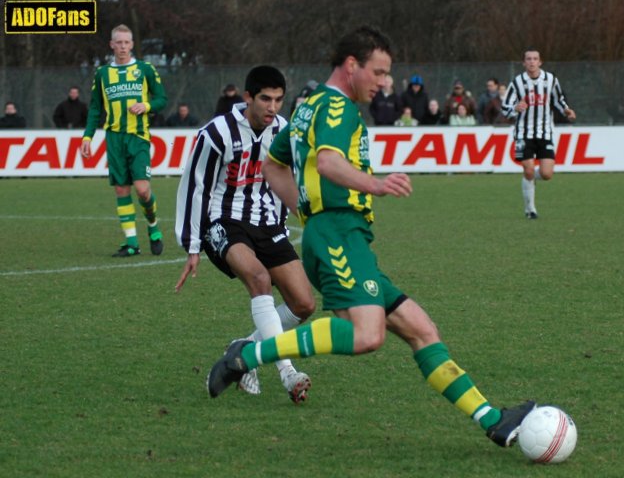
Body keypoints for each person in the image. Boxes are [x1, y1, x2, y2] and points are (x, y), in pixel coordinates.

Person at [207, 26, 535, 449]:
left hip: (339, 234)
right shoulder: (338, 108)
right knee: (367, 335)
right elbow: (326, 163)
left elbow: (273, 166)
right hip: (339, 233)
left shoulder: (309, 107)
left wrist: (307, 210)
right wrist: (373, 185)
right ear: (351, 66)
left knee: (421, 329)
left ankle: (494, 421)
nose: (384, 83)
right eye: (378, 72)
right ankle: (246, 356)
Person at [174, 65, 316, 403]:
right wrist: (193, 245)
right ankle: (287, 373)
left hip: (267, 223)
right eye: (265, 99)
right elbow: (196, 188)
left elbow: (289, 180)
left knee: (303, 303)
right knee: (259, 278)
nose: (272, 107)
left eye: (279, 100)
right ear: (248, 97)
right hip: (224, 222)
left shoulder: (284, 131)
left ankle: (245, 351)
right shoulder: (216, 133)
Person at [81, 24, 167, 257]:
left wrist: (147, 105)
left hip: (138, 136)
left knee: (142, 189)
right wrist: (87, 136)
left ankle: (153, 226)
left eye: (127, 42)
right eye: (118, 42)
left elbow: (161, 98)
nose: (123, 47)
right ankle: (131, 243)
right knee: (121, 189)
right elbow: (95, 108)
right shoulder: (102, 74)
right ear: (112, 45)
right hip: (114, 137)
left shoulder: (145, 69)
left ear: (132, 44)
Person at [502, 48, 576, 219]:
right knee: (528, 168)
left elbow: (559, 99)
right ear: (524, 62)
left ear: (540, 62)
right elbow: (505, 107)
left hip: (545, 132)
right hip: (523, 132)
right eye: (528, 59)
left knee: (546, 174)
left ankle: (529, 180)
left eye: (535, 59)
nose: (532, 62)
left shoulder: (550, 79)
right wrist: (515, 108)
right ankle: (530, 210)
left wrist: (566, 110)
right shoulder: (517, 82)